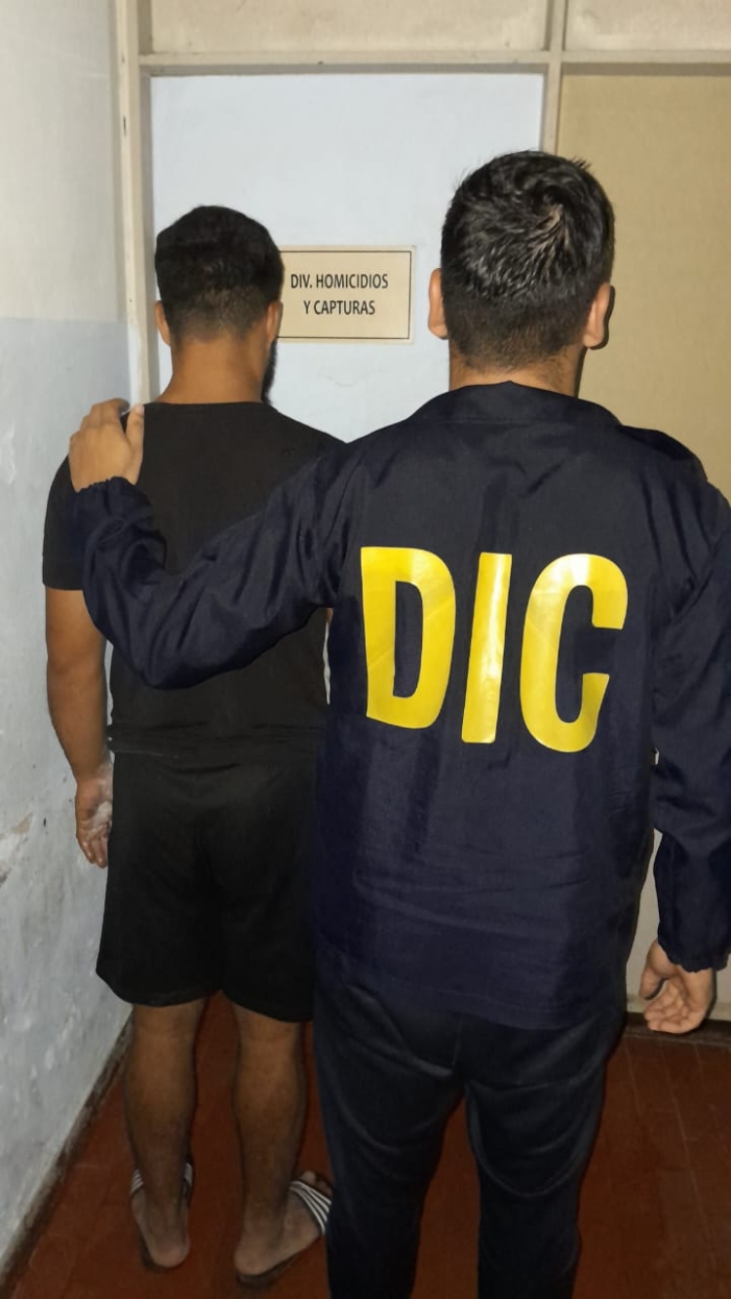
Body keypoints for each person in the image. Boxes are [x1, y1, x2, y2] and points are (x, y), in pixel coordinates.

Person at [67, 153, 731, 1299]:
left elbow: (165, 638)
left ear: (434, 302)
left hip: (377, 951)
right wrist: (694, 930)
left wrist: (110, 500)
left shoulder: (354, 483)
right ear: (595, 312)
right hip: (554, 957)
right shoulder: (676, 505)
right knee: (531, 1228)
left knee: (371, 1215)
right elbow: (708, 762)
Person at [43, 205, 335, 1283]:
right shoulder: (326, 468)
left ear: (164, 319)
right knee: (271, 1030)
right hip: (284, 786)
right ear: (271, 319)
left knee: (159, 1025)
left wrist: (91, 775)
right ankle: (263, 1229)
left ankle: (162, 1221)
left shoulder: (97, 463)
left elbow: (73, 663)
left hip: (158, 785)